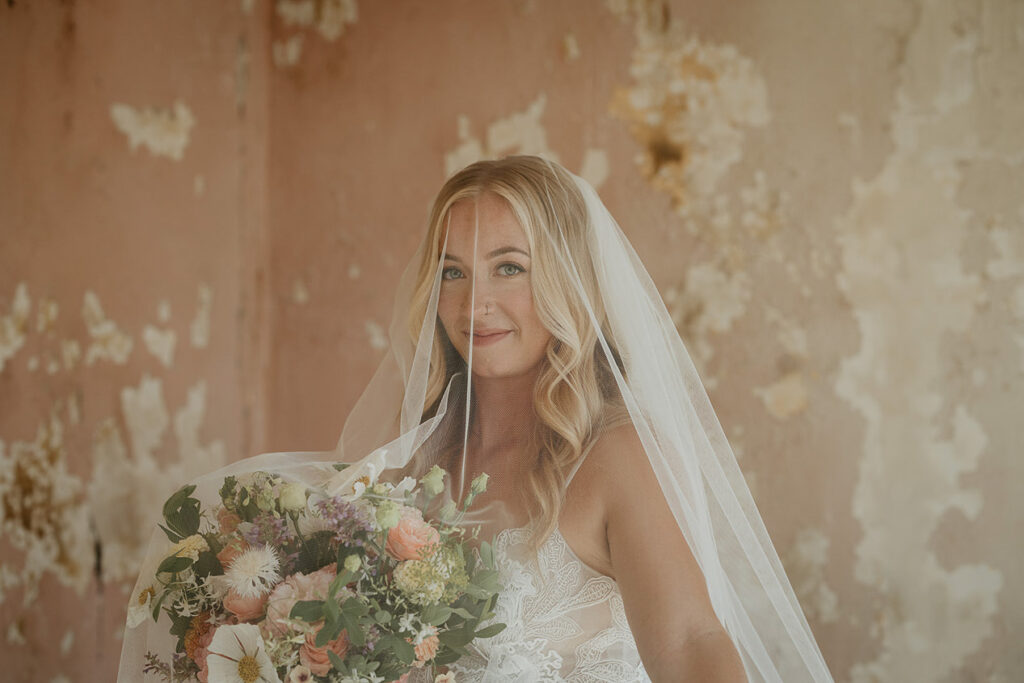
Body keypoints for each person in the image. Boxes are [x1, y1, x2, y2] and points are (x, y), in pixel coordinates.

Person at [118, 155, 833, 683]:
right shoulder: (413, 462)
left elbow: (690, 645)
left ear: (566, 278)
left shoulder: (617, 456)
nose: (473, 303)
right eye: (453, 270)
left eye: (509, 267)